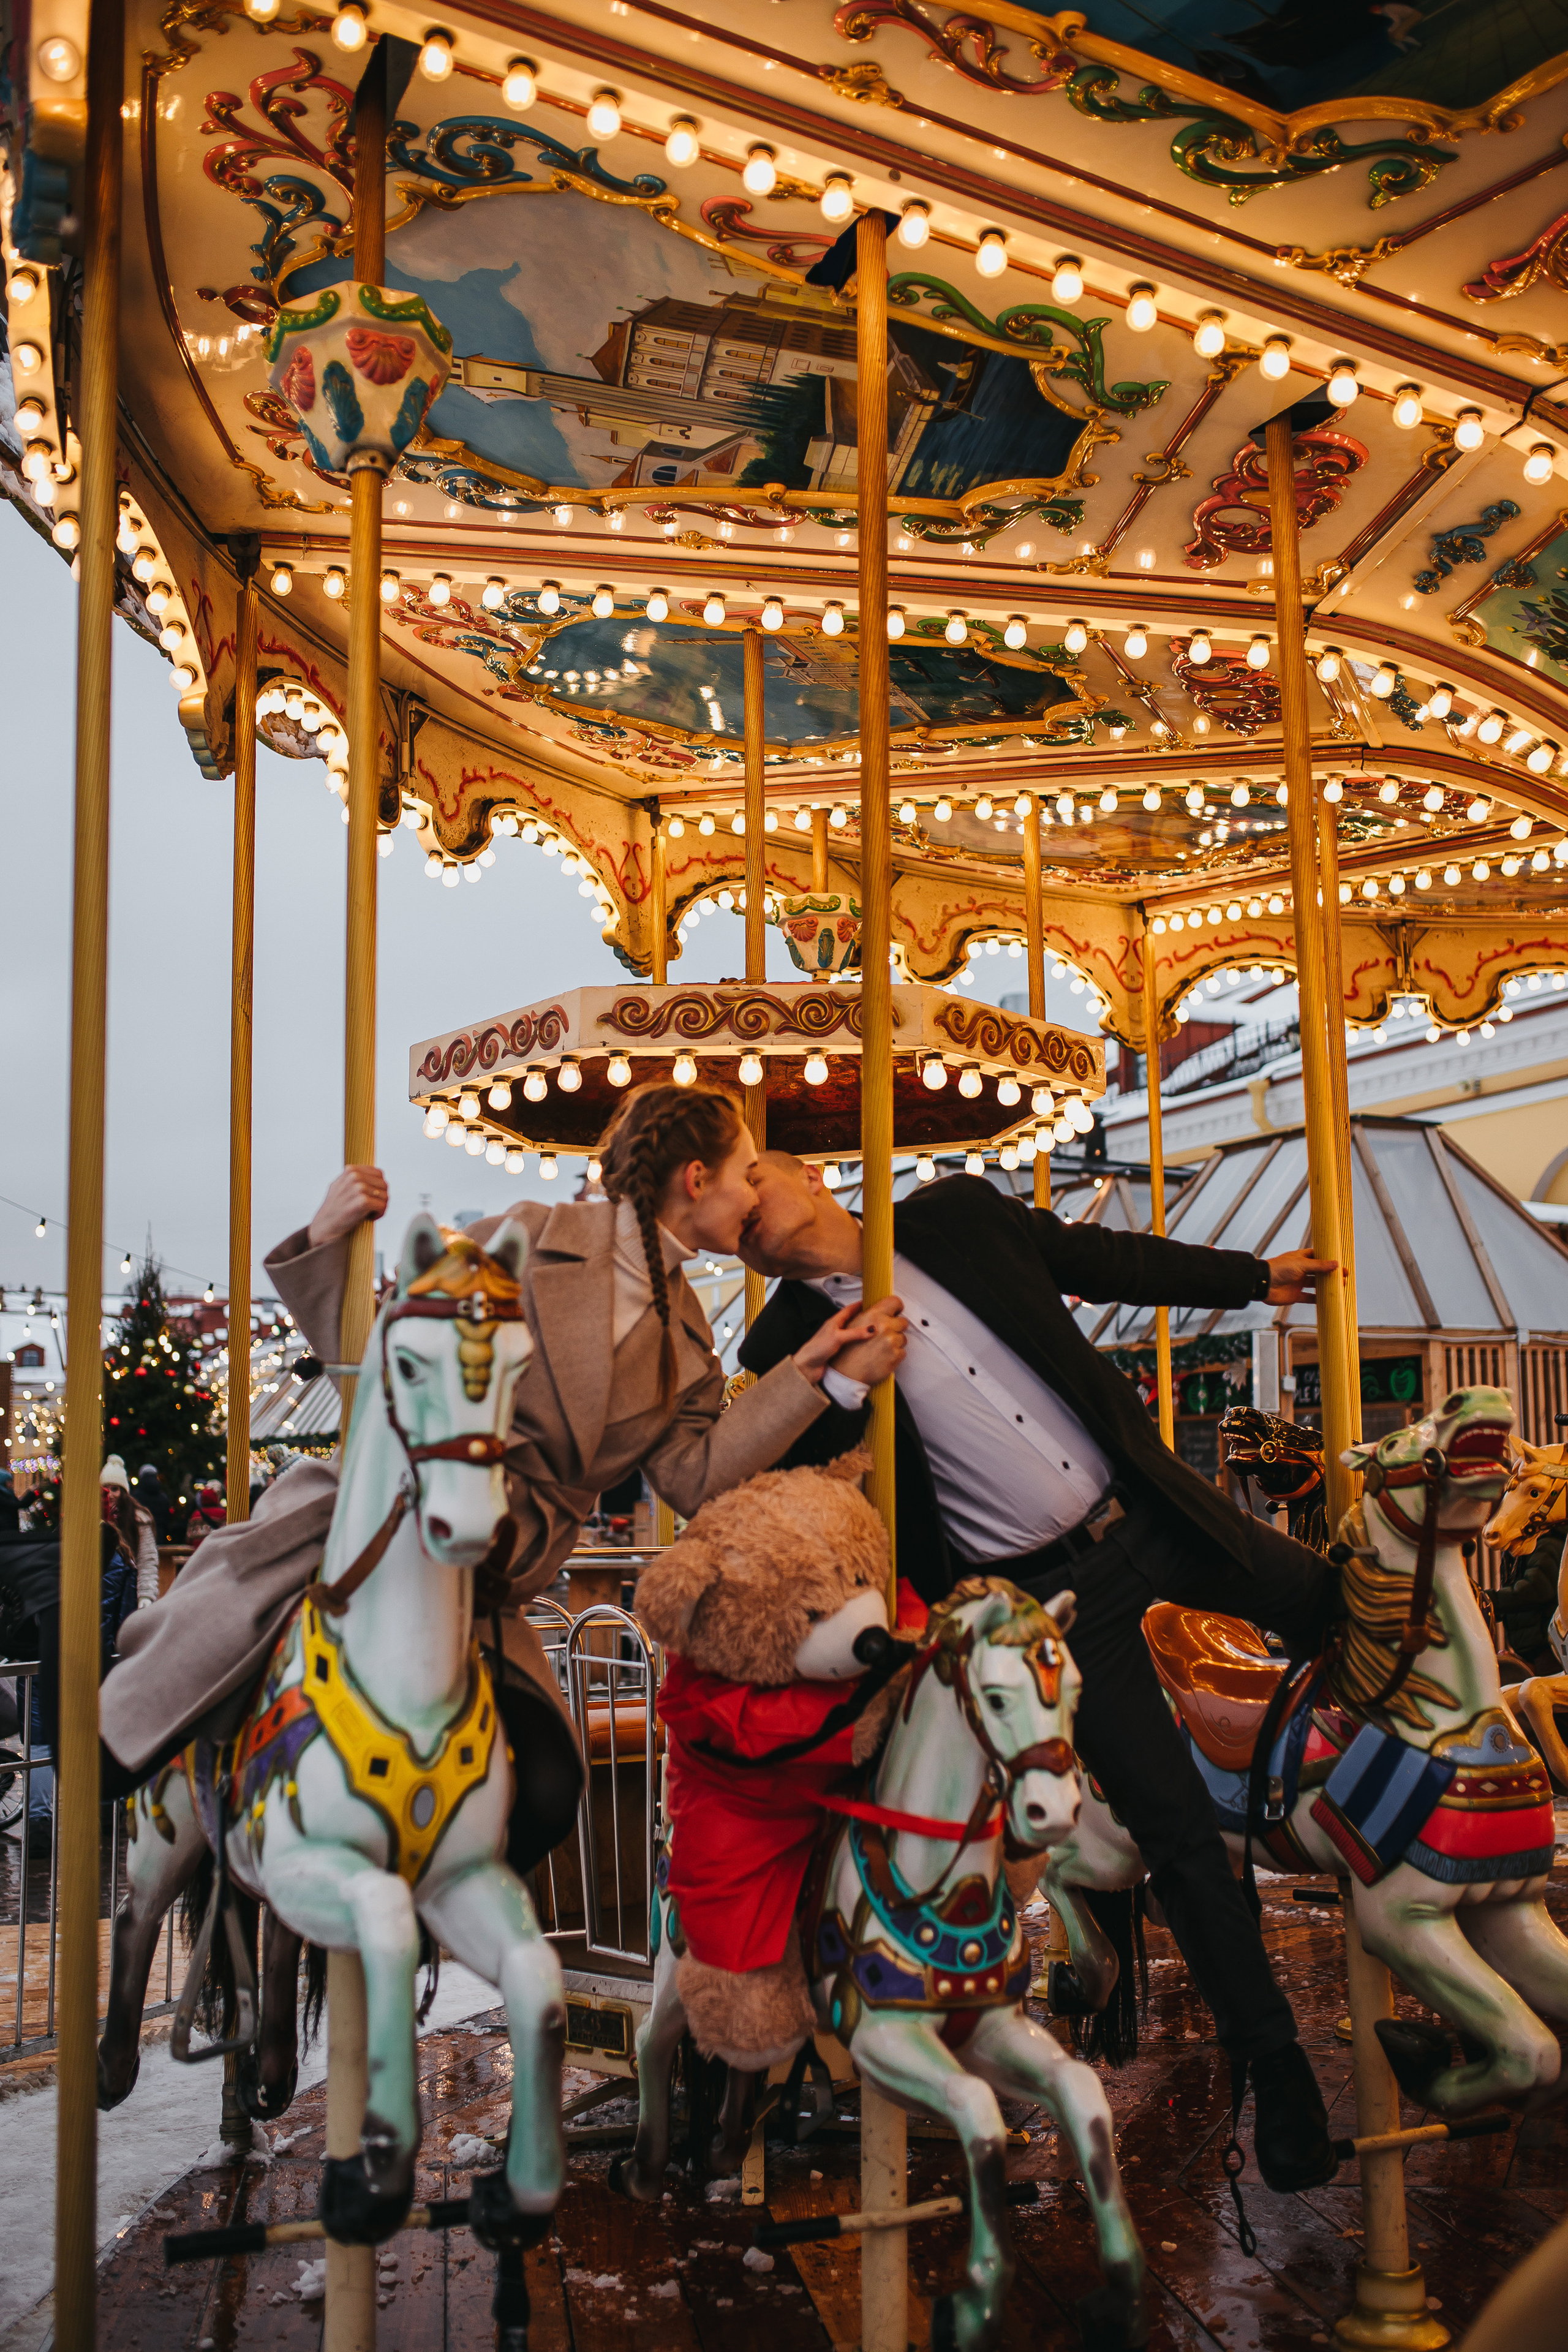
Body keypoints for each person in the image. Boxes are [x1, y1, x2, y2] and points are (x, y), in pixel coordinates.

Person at [99, 1085, 903, 1881]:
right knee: (207, 1661)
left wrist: (813, 1378)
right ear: (696, 1179)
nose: (754, 1191)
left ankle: (427, 1913)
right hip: (402, 1526)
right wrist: (328, 1236)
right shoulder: (528, 1238)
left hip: (493, 1579)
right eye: (748, 1170)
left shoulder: (689, 1338)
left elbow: (694, 1478)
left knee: (547, 1791)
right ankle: (130, 1764)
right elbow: (394, 1345)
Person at [736, 1153, 1341, 2192]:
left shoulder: (960, 1218)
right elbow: (783, 1489)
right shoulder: (788, 1350)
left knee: (1349, 1607)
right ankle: (1275, 2064)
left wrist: (1250, 1278)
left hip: (1149, 1508)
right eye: (726, 1216)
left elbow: (1101, 1259)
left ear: (806, 1176)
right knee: (1176, 1830)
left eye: (756, 1183)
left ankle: (1405, 1832)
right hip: (1048, 1605)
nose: (747, 1217)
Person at [101, 1455, 162, 1607]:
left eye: (115, 1489)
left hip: (128, 1594)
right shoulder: (94, 1518)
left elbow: (147, 1559)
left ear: (123, 1491)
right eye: (106, 1489)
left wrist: (146, 1596)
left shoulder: (138, 1519)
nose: (110, 1494)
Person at [135, 1463, 173, 1543]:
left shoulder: (134, 1496)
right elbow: (167, 1521)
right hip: (159, 1537)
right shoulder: (164, 1498)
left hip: (139, 1536)